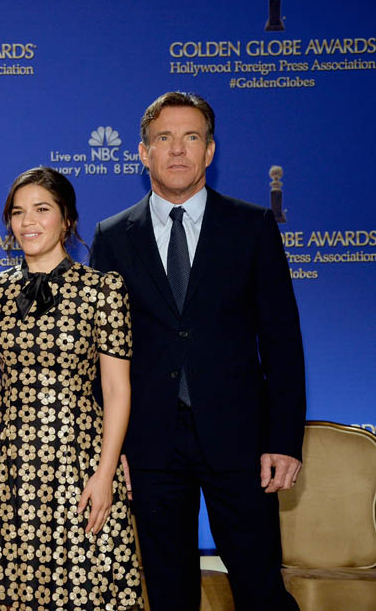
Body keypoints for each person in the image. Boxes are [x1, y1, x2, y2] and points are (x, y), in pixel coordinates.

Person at [90, 91, 305, 611]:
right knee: (168, 593)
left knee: (260, 587)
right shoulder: (113, 236)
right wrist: (111, 449)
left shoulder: (252, 226)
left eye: (191, 137)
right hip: (150, 443)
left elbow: (282, 341)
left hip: (241, 441)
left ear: (210, 150)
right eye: (163, 138)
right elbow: (100, 354)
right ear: (143, 153)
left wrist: (284, 441)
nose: (177, 149)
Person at [0, 167, 144, 611]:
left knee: (84, 589)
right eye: (17, 213)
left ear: (67, 219)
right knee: (9, 589)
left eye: (41, 210)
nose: (27, 222)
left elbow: (117, 390)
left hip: (79, 460)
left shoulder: (103, 291)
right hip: (4, 464)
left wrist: (106, 473)